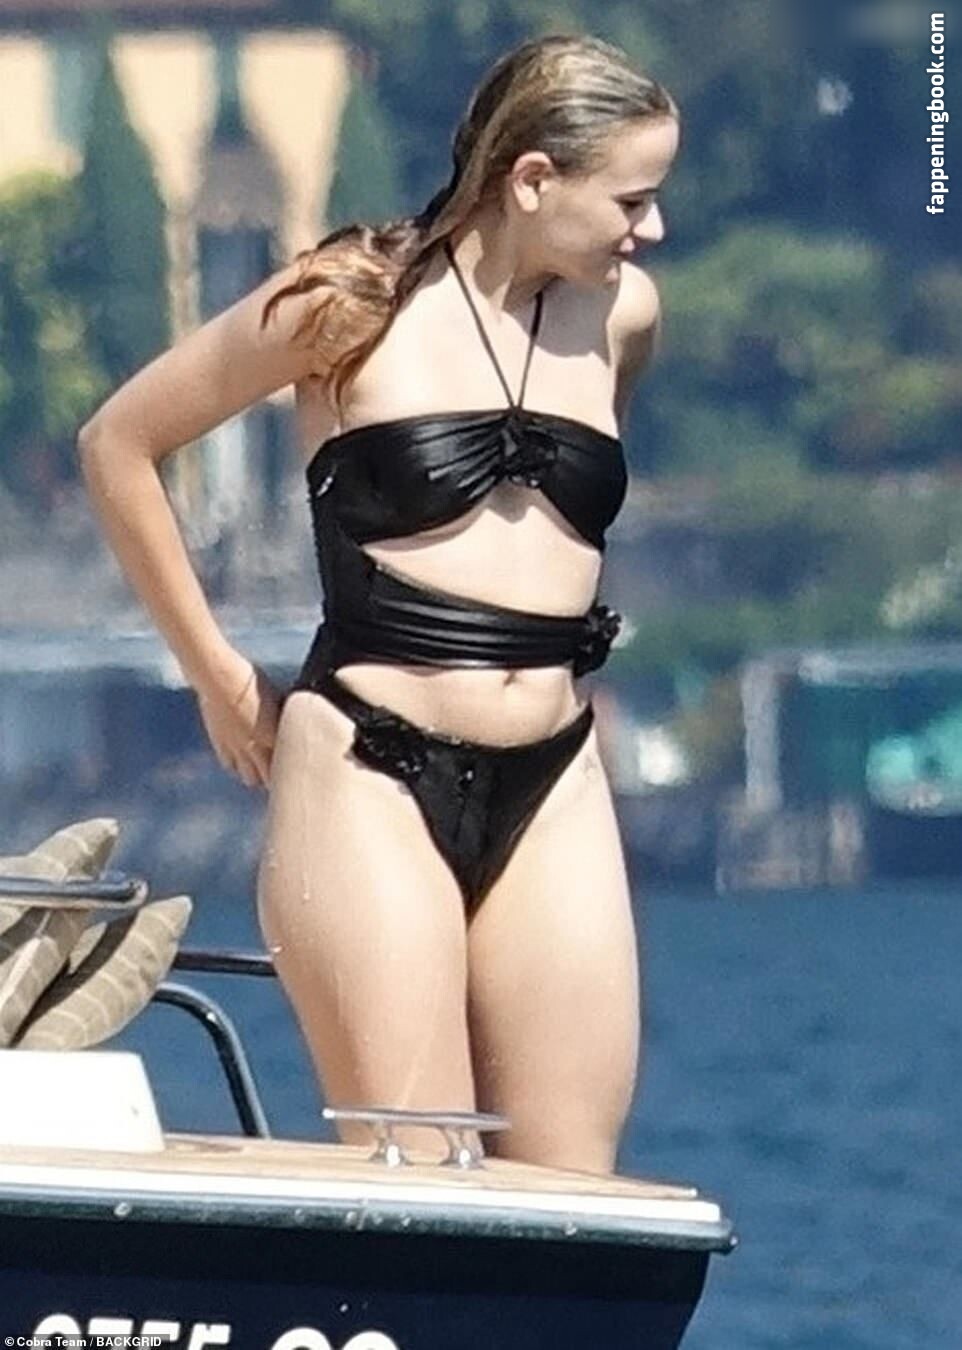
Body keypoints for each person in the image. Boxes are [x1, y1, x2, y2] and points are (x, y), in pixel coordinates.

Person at [78, 33, 679, 1173]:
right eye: (631, 199)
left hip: (555, 772)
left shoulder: (621, 315)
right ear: (532, 179)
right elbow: (119, 443)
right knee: (424, 1163)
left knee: (572, 1181)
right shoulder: (347, 300)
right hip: (369, 765)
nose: (648, 230)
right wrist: (216, 675)